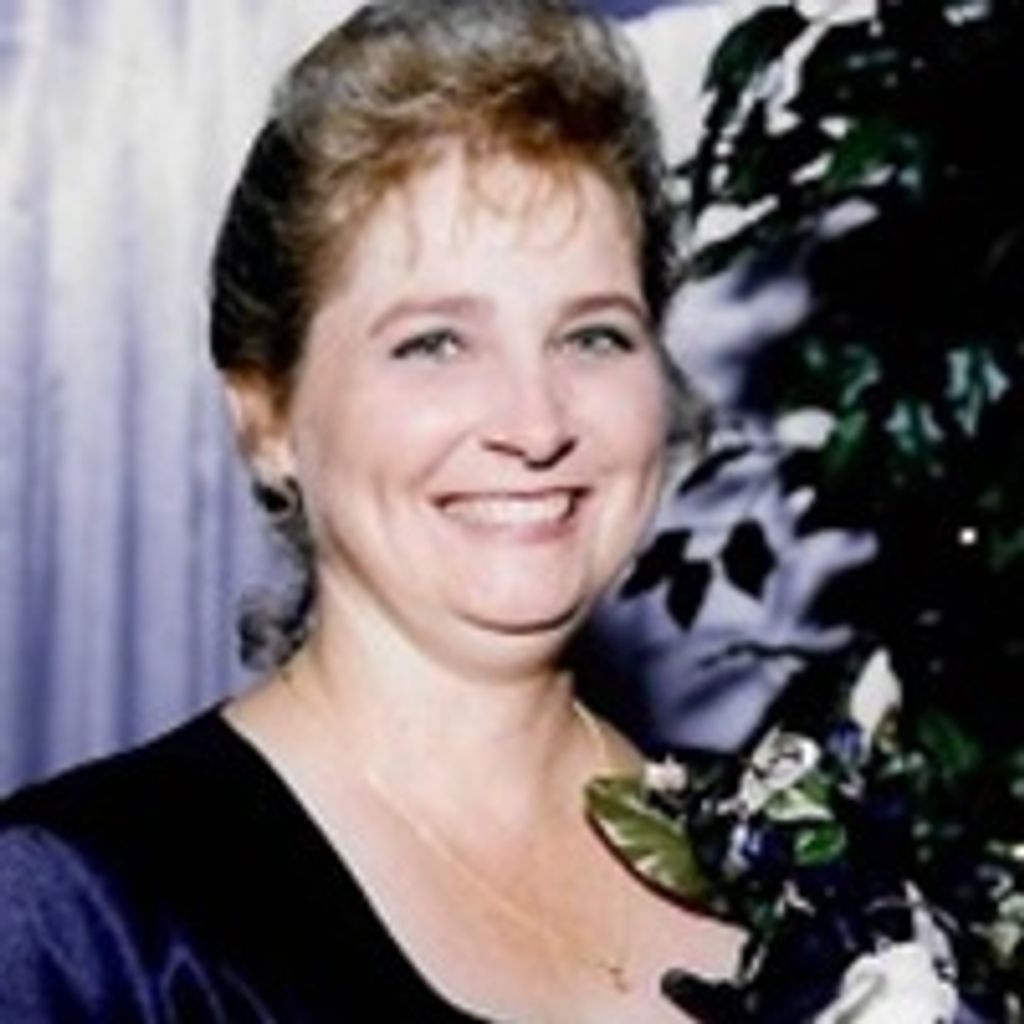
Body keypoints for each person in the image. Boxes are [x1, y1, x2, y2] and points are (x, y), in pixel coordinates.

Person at [0, 1, 741, 1020]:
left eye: (593, 336)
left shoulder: (789, 859)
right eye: (435, 342)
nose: (535, 423)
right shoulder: (79, 915)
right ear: (267, 417)